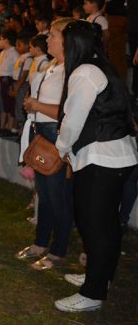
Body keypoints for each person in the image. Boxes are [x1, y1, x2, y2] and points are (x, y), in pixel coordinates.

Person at [53, 20, 138, 312]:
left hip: (102, 158)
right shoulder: (100, 66)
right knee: (105, 224)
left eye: (63, 41)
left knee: (95, 225)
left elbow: (73, 119)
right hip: (115, 156)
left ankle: (93, 292)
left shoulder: (85, 72)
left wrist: (61, 147)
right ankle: (99, 277)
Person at [16, 18, 72, 272]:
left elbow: (70, 110)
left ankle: (58, 250)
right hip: (42, 134)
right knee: (45, 195)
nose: (47, 39)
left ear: (66, 41)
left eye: (52, 36)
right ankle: (40, 243)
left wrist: (36, 105)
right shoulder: (53, 66)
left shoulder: (72, 70)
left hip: (55, 137)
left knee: (58, 197)